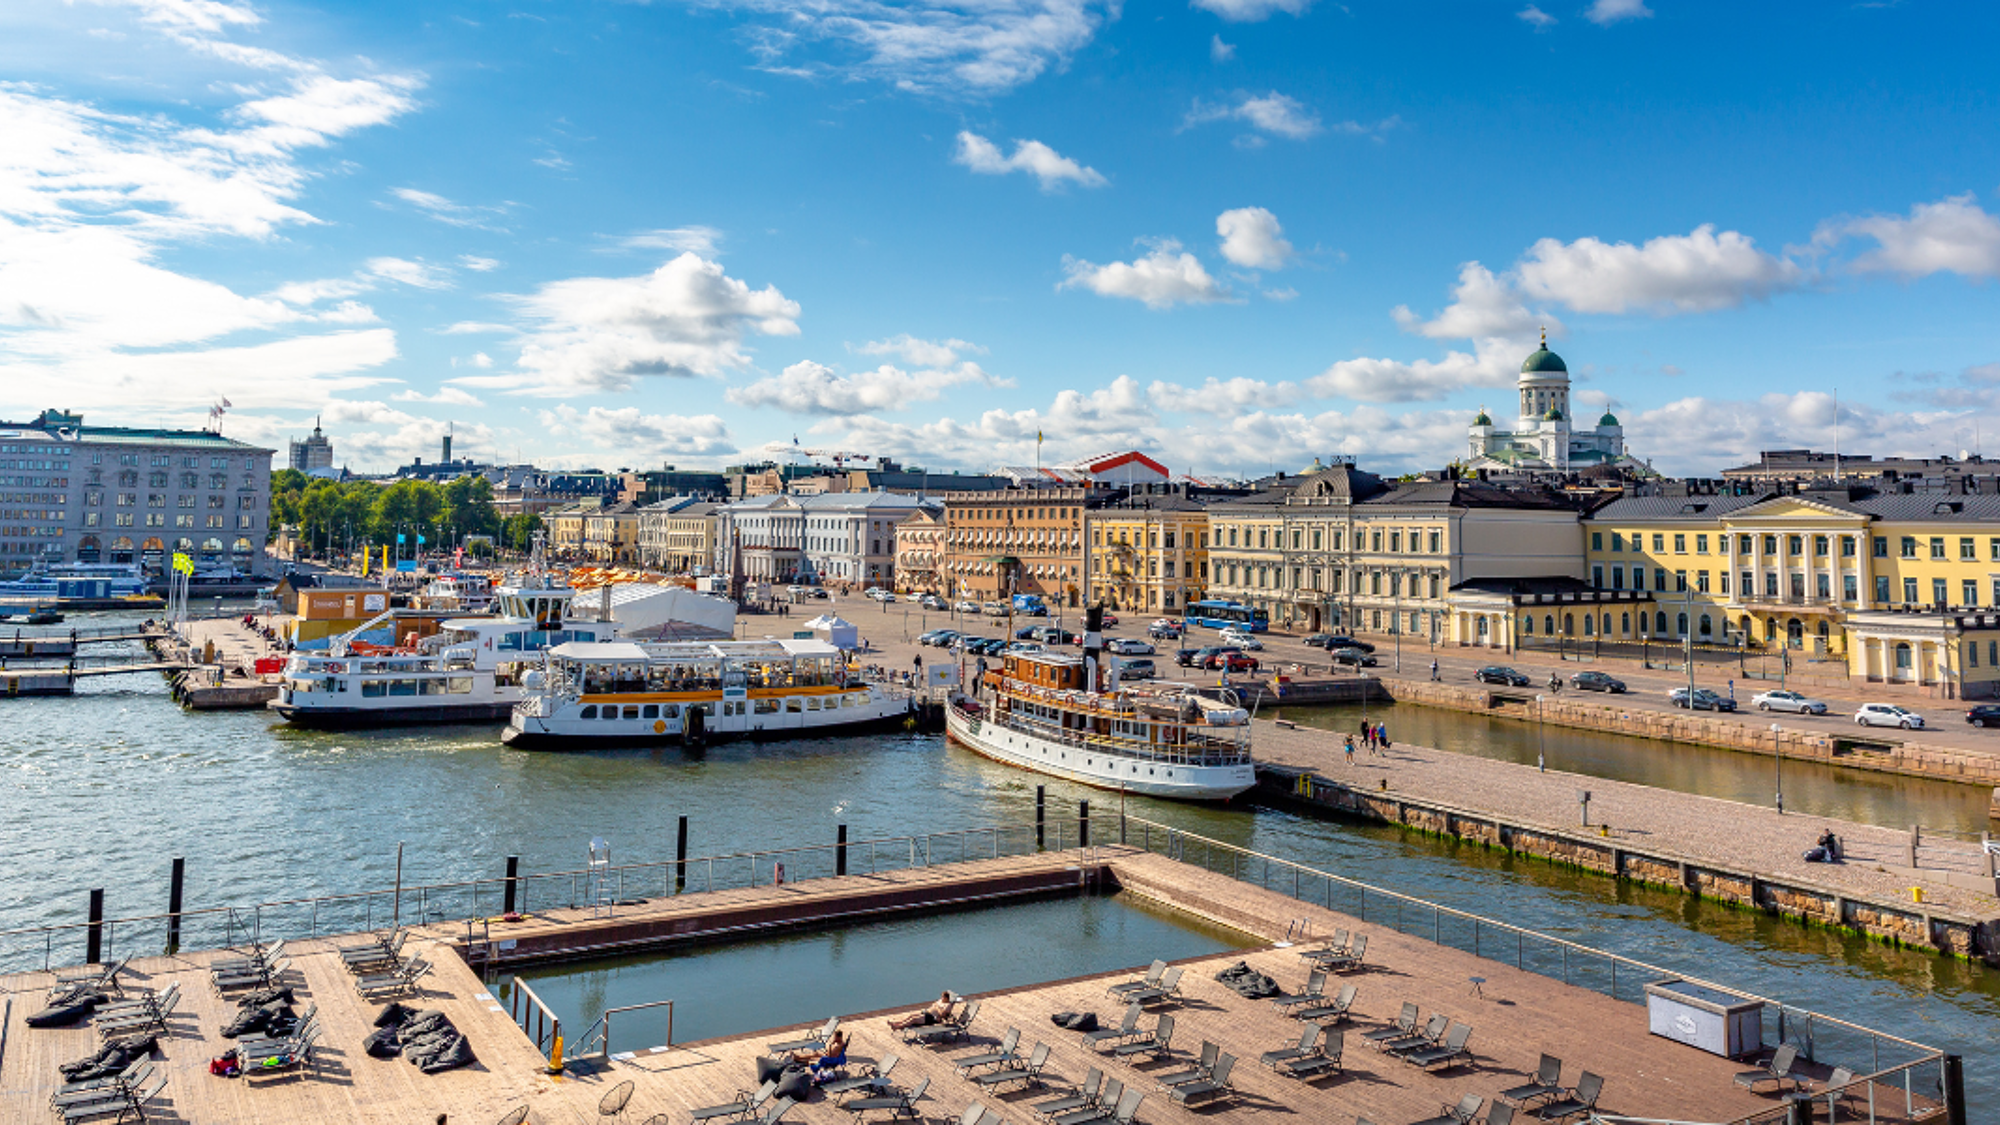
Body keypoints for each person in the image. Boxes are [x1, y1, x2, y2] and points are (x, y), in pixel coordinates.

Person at [888, 991, 956, 1031]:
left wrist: (937, 1007)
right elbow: (934, 1004)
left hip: (931, 1018)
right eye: (941, 997)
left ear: (947, 998)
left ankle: (897, 1027)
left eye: (943, 997)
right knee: (912, 1016)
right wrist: (936, 1006)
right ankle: (897, 1023)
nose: (941, 998)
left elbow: (942, 1014)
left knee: (913, 1019)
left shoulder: (948, 1005)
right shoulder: (941, 1001)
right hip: (927, 1013)